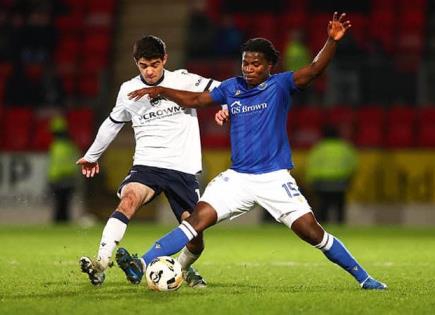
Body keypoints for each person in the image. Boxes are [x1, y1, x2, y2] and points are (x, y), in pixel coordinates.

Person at [117, 12, 387, 290]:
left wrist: (331, 40)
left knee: (313, 233)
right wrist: (161, 90)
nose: (248, 68)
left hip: (274, 179)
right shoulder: (232, 87)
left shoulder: (280, 85)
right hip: (238, 178)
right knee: (197, 220)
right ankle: (143, 262)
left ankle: (364, 278)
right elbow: (197, 99)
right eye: (245, 63)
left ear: (270, 65)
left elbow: (314, 69)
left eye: (255, 64)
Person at [78, 35, 220, 287]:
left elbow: (223, 88)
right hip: (147, 164)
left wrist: (225, 104)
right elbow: (113, 123)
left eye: (155, 64)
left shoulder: (183, 80)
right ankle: (100, 263)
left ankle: (182, 267)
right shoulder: (127, 90)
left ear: (165, 59)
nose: (150, 70)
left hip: (182, 169)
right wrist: (92, 155)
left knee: (195, 235)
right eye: (144, 65)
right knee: (128, 201)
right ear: (136, 63)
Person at [306, 125, 358, 224]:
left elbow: (311, 166)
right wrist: (349, 180)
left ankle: (321, 232)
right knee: (339, 209)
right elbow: (353, 166)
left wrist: (311, 183)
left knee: (322, 209)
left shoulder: (318, 148)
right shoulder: (345, 148)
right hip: (340, 184)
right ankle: (341, 229)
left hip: (322, 185)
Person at [48, 115, 80, 223]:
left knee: (59, 204)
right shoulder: (71, 146)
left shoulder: (56, 146)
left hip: (58, 179)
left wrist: (51, 179)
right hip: (69, 178)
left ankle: (59, 222)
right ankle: (64, 222)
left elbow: (55, 165)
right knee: (65, 204)